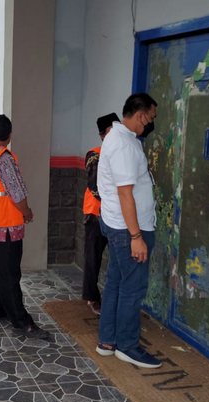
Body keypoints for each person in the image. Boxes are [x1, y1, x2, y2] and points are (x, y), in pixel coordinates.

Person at [96, 93, 162, 369]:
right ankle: (127, 346)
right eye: (151, 118)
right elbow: (125, 194)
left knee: (116, 282)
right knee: (133, 288)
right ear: (140, 115)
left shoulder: (118, 137)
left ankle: (108, 341)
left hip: (118, 225)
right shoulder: (123, 144)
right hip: (127, 230)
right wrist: (136, 237)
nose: (151, 123)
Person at [0, 114, 49, 339]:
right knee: (8, 274)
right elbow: (16, 193)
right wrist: (27, 213)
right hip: (5, 225)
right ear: (9, 135)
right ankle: (21, 321)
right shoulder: (4, 158)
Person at [83, 113, 119, 315]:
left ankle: (112, 298)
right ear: (102, 135)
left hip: (116, 216)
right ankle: (91, 297)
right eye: (113, 131)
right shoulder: (95, 155)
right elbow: (95, 187)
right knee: (92, 257)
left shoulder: (122, 153)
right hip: (96, 214)